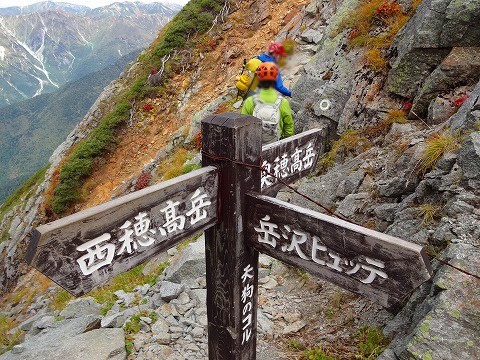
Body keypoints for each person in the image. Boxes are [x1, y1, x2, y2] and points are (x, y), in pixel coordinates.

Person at [241, 62, 294, 144]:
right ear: (276, 79)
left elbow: (242, 126)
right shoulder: (283, 102)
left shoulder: (250, 101)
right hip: (276, 144)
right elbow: (289, 127)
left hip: (255, 145)